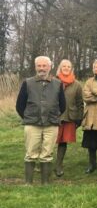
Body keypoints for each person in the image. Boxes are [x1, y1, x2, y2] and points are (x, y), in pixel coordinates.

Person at [16, 56, 66, 184]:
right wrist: (29, 117)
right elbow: (19, 105)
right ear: (35, 67)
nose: (42, 68)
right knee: (30, 153)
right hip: (32, 124)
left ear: (50, 67)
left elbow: (62, 105)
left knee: (47, 154)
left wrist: (53, 116)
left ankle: (45, 183)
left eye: (44, 66)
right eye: (39, 66)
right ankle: (28, 183)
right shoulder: (28, 82)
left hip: (51, 124)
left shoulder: (58, 84)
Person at [54, 59, 83, 177]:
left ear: (71, 69)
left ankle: (58, 165)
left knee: (63, 142)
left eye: (68, 66)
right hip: (54, 116)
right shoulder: (53, 81)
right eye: (64, 66)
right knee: (49, 140)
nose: (66, 68)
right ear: (60, 68)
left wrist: (79, 119)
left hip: (69, 117)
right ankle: (43, 163)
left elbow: (80, 102)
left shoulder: (77, 84)